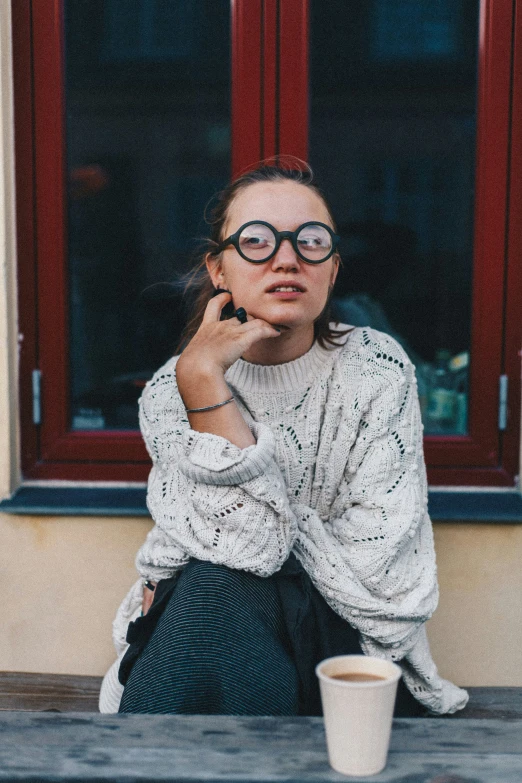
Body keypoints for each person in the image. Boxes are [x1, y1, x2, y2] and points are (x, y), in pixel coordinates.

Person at [99, 161, 469, 717]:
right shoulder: (170, 392)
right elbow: (205, 546)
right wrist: (203, 384)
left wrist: (254, 537)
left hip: (344, 642)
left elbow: (383, 567)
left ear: (333, 268)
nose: (287, 257)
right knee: (216, 588)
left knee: (217, 580)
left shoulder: (377, 372)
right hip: (221, 641)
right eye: (256, 241)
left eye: (311, 241)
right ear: (218, 270)